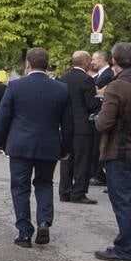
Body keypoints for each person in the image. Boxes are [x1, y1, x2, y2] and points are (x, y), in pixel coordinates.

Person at [0, 48, 73, 247]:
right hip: (49, 146)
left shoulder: (16, 86)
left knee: (20, 188)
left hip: (20, 145)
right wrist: (65, 148)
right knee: (44, 184)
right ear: (47, 65)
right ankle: (44, 221)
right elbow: (69, 123)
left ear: (28, 64)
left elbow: (3, 116)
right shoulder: (61, 89)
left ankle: (24, 232)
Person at [93, 42, 131, 261]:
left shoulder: (117, 86)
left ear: (115, 62)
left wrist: (98, 119)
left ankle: (126, 248)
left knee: (123, 200)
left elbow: (105, 123)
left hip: (120, 150)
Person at [58, 51, 99, 205]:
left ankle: (64, 191)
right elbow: (90, 104)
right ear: (85, 62)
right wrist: (101, 100)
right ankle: (78, 192)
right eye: (89, 60)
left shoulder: (64, 78)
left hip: (66, 125)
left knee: (66, 159)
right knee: (82, 162)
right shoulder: (87, 80)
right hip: (82, 127)